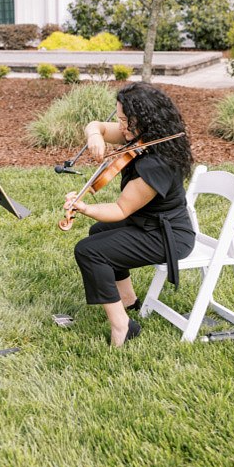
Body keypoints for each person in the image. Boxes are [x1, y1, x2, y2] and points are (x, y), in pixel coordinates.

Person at [65, 82, 195, 348]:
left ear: (145, 120)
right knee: (98, 233)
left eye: (126, 120)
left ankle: (122, 327)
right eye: (120, 118)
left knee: (89, 250)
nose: (121, 126)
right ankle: (129, 301)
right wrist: (95, 136)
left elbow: (120, 209)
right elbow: (97, 126)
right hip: (148, 222)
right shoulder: (139, 137)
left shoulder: (157, 163)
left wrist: (85, 207)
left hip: (167, 235)